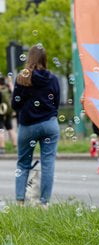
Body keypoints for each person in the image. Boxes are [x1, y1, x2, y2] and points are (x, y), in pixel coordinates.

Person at [12, 44, 60, 206]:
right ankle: (44, 203)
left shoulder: (22, 78)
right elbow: (56, 102)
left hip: (27, 126)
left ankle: (20, 202)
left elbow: (15, 105)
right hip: (49, 125)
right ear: (44, 59)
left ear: (29, 58)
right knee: (48, 164)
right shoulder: (52, 78)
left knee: (23, 164)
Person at [0, 75, 17, 154]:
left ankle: (2, 148)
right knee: (10, 129)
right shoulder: (7, 89)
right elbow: (14, 92)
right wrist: (10, 82)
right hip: (8, 112)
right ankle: (15, 146)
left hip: (0, 113)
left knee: (1, 130)